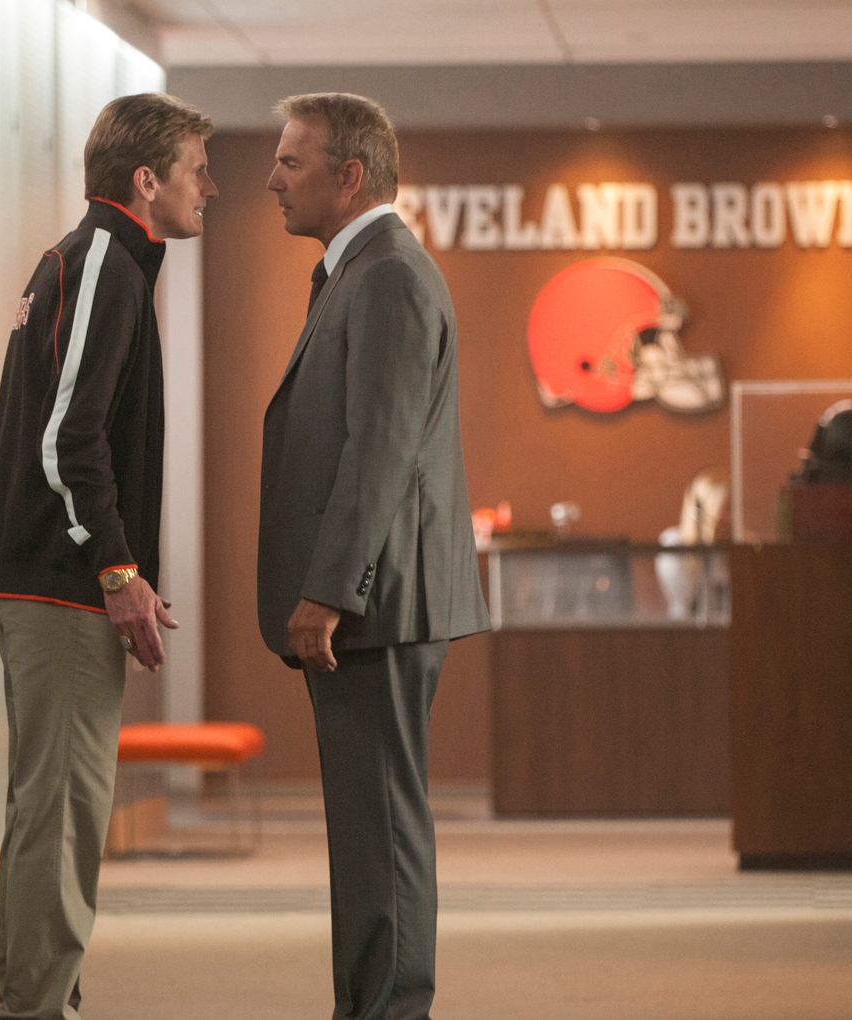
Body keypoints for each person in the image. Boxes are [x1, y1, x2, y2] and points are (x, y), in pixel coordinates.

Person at [0, 92, 217, 1020]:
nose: (214, 187)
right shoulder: (106, 260)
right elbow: (68, 440)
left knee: (56, 805)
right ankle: (33, 1006)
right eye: (198, 169)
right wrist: (117, 569)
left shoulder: (98, 261)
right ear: (146, 180)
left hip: (54, 579)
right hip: (64, 585)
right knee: (63, 809)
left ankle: (39, 995)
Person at [257, 92, 489, 1020]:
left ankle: (392, 1010)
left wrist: (329, 591)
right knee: (364, 832)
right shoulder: (356, 271)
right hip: (369, 604)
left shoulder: (389, 272)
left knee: (382, 832)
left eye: (290, 162)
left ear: (348, 176)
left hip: (375, 608)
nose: (271, 178)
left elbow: (380, 447)